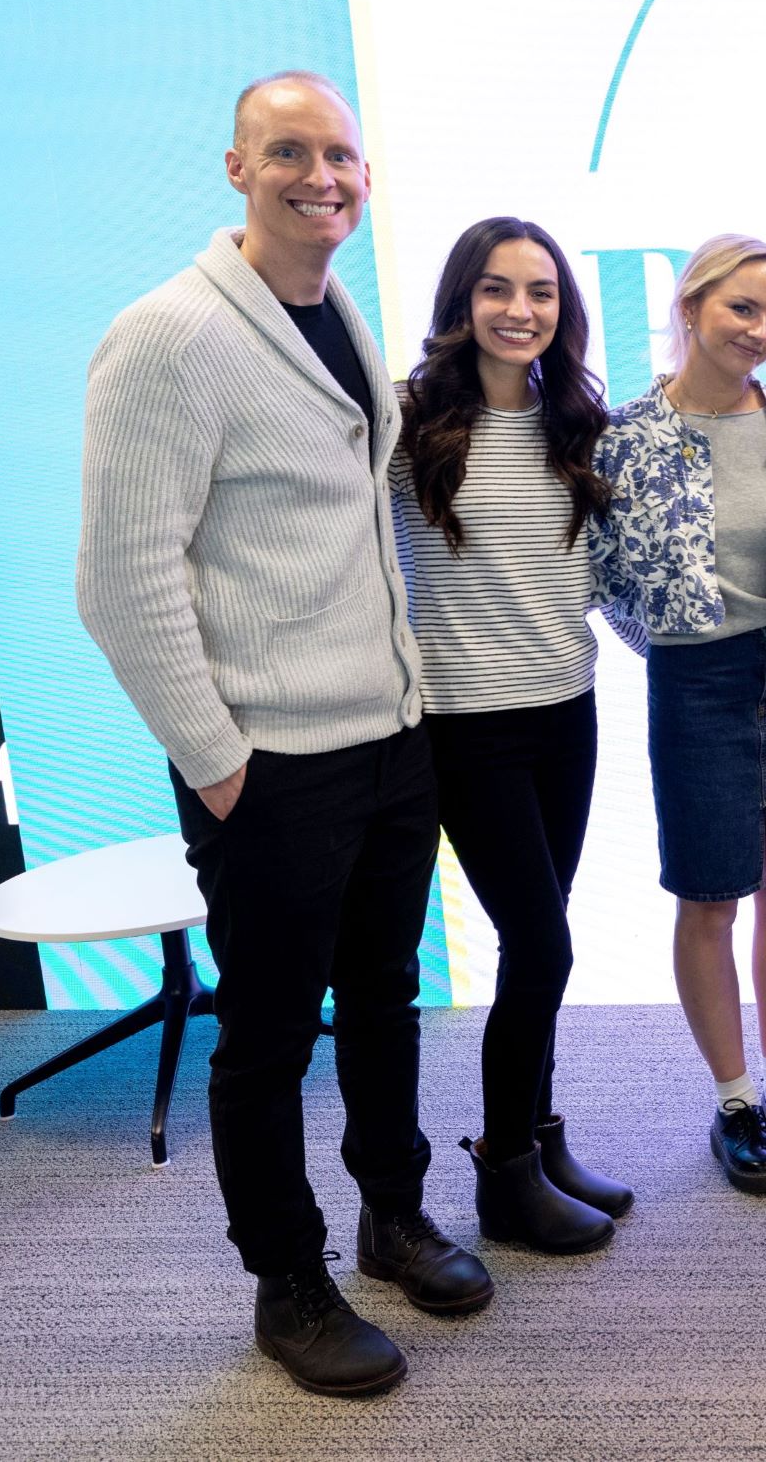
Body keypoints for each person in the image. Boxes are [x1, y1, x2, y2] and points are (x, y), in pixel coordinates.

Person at [78, 71, 487, 1398]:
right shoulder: (170, 335)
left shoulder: (335, 312)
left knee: (384, 999)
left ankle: (392, 1214)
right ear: (237, 168)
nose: (325, 177)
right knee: (265, 1036)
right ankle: (288, 1279)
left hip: (387, 737)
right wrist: (216, 758)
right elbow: (121, 580)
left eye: (344, 156)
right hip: (273, 764)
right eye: (293, 154)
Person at [390, 216, 629, 1255]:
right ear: (462, 303)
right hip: (463, 726)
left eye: (539, 293)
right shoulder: (408, 431)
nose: (519, 310)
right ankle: (504, 1173)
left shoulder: (577, 421)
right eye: (497, 290)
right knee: (541, 944)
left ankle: (538, 1130)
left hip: (564, 709)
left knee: (544, 937)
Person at [590, 234, 766, 1195]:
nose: (761, 332)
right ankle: (735, 1101)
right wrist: (680, 641)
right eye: (743, 308)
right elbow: (607, 577)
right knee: (709, 894)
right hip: (696, 677)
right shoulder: (622, 436)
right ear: (692, 304)